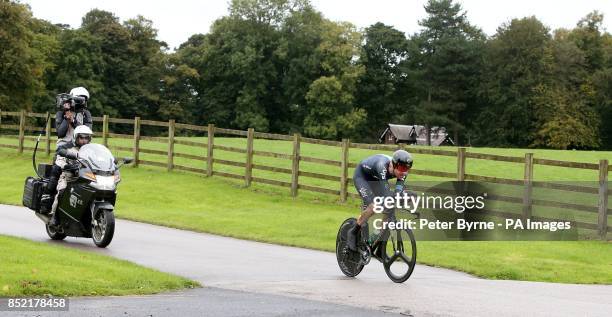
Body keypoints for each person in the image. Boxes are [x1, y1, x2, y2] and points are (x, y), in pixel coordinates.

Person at [347, 149, 413, 251]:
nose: (404, 172)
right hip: (362, 177)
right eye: (401, 168)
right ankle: (353, 231)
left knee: (389, 208)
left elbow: (397, 193)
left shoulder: (403, 173)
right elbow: (387, 194)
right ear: (394, 164)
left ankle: (377, 240)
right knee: (374, 206)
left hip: (375, 179)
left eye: (407, 168)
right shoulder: (382, 166)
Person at [40, 87, 93, 213]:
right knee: (56, 171)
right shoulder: (60, 113)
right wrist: (66, 118)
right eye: (79, 99)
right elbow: (60, 132)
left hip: (82, 147)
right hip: (64, 147)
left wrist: (73, 120)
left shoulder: (86, 114)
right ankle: (46, 200)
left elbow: (86, 131)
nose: (82, 102)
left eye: (84, 99)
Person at [47, 125, 93, 226]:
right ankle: (54, 217)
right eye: (81, 138)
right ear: (76, 137)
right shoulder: (68, 148)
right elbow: (59, 159)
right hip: (68, 176)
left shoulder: (91, 150)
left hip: (85, 176)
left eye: (86, 138)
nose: (84, 140)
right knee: (62, 190)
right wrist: (67, 166)